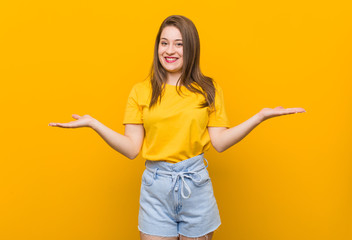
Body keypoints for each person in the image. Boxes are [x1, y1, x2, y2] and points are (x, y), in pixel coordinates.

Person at [49, 15, 306, 240]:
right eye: (164, 42)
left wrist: (259, 117)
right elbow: (131, 149)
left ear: (191, 48)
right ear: (157, 47)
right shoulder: (141, 91)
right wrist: (94, 124)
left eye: (179, 43)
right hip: (155, 189)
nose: (169, 50)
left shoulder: (209, 89)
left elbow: (220, 142)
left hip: (195, 186)